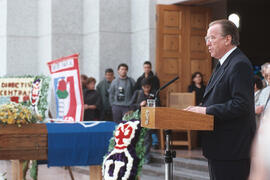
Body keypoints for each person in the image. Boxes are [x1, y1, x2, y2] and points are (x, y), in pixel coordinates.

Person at [185, 19, 256, 180]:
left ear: (228, 39)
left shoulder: (239, 64)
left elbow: (242, 104)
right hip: (220, 147)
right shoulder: (222, 64)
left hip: (232, 149)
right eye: (206, 39)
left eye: (212, 38)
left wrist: (206, 110)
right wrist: (198, 110)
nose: (207, 43)